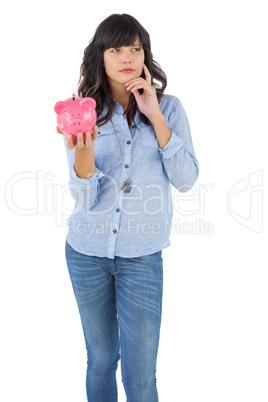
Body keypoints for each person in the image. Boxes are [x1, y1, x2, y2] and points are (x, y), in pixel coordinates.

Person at [58, 13, 199, 402]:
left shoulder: (169, 108)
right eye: (115, 48)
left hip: (142, 256)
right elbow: (85, 199)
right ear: (100, 57)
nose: (126, 57)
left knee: (140, 379)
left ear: (145, 55)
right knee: (101, 359)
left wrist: (153, 115)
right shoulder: (82, 113)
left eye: (134, 48)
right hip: (86, 253)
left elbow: (186, 179)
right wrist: (83, 151)